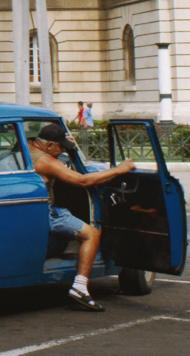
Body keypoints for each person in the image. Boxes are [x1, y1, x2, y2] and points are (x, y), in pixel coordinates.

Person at [27, 121, 136, 312]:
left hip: (31, 211)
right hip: (48, 212)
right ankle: (80, 287)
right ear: (48, 146)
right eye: (60, 147)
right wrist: (120, 169)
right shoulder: (46, 161)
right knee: (92, 234)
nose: (61, 151)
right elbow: (83, 181)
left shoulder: (27, 146)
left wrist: (68, 146)